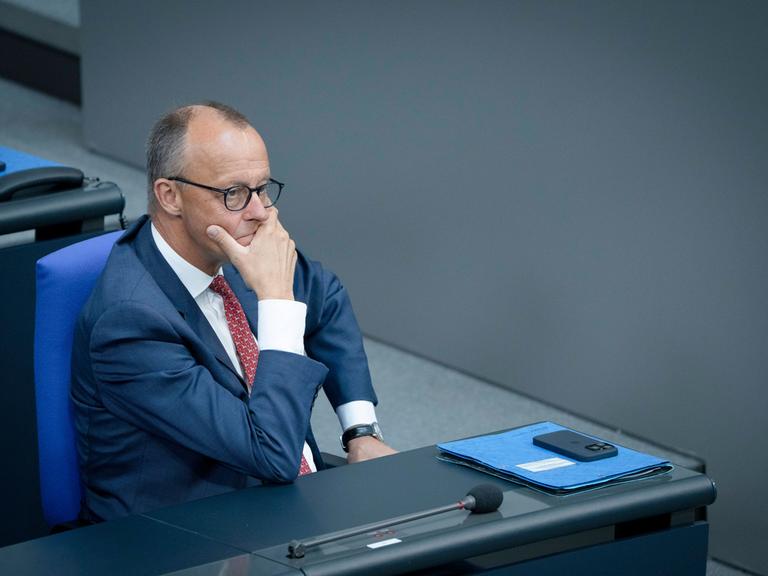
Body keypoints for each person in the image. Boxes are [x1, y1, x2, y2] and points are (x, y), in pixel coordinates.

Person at [71, 102, 395, 522]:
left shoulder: (228, 248)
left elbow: (325, 296)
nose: (260, 212)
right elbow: (272, 454)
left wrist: (361, 431)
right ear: (170, 196)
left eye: (262, 188)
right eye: (234, 193)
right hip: (195, 538)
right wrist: (277, 299)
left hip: (286, 501)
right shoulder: (130, 324)